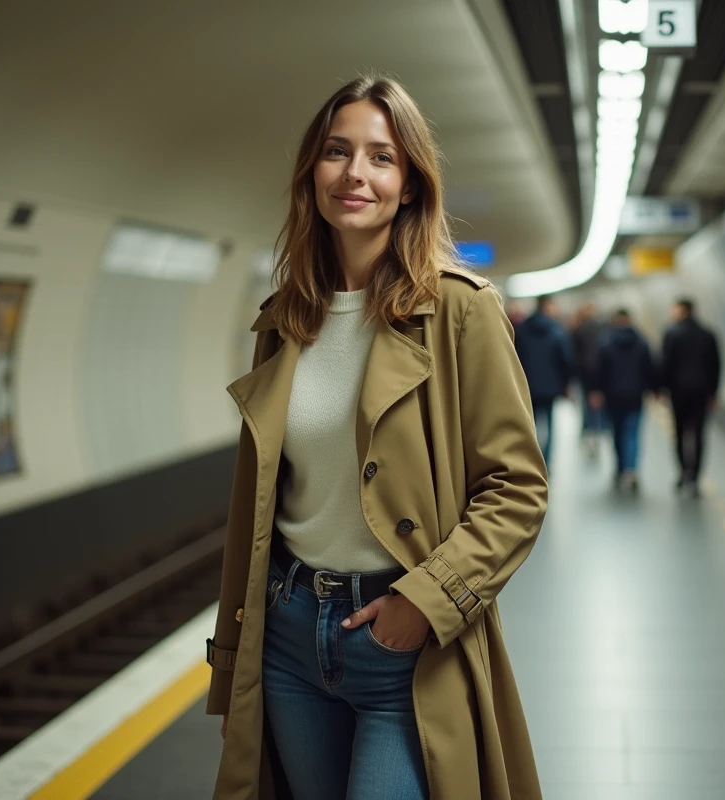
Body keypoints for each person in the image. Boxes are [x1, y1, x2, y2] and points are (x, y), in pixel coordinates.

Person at [205, 75, 549, 800]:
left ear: (410, 185)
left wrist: (425, 601)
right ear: (312, 173)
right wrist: (236, 664)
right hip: (291, 635)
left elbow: (518, 488)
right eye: (337, 151)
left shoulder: (458, 311)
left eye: (381, 157)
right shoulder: (285, 320)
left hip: (404, 644)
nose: (355, 173)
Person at [660, 298, 722, 495]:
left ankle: (683, 472)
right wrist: (713, 392)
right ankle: (695, 476)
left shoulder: (672, 333)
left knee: (679, 433)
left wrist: (663, 389)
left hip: (678, 392)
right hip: (701, 393)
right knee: (698, 434)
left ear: (682, 311)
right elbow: (716, 365)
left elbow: (665, 364)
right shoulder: (708, 334)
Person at [590, 309, 657, 491]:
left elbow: (599, 369)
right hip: (635, 395)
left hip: (612, 396)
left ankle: (620, 468)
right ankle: (631, 469)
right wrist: (654, 389)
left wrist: (596, 391)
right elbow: (649, 367)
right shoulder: (642, 342)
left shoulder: (606, 342)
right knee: (632, 432)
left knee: (617, 433)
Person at [514, 295, 574, 468]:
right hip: (551, 385)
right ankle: (545, 463)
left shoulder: (523, 328)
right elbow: (565, 359)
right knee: (548, 423)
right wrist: (565, 383)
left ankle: (530, 461)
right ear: (547, 306)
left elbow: (516, 356)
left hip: (527, 385)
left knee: (529, 424)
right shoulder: (556, 329)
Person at [571, 302, 606, 458]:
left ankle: (587, 430)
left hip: (584, 372)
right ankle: (596, 430)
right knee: (597, 402)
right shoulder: (601, 329)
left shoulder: (578, 330)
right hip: (598, 371)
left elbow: (573, 353)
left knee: (586, 401)